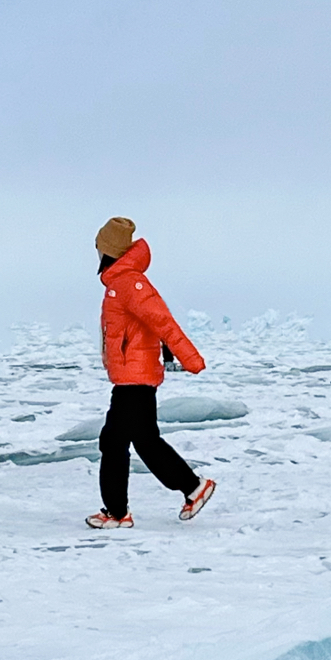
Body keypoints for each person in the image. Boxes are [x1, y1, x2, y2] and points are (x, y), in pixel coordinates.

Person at [87, 217, 217, 531]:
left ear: (108, 251)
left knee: (115, 442)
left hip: (135, 378)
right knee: (143, 441)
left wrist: (190, 358)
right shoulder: (120, 282)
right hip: (131, 376)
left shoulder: (130, 283)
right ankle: (191, 488)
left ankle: (118, 513)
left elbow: (163, 321)